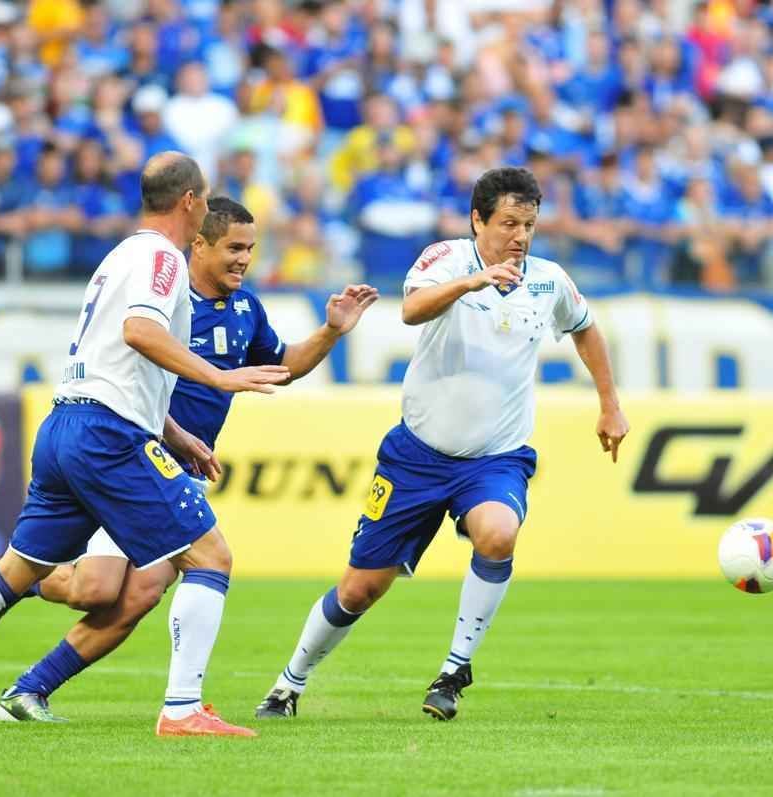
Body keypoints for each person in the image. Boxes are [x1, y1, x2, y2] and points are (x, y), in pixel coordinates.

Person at [0, 152, 291, 738]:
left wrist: (175, 433)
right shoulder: (162, 259)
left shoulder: (118, 257)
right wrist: (219, 377)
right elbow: (138, 333)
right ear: (191, 201)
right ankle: (182, 709)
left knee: (17, 569)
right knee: (210, 558)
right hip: (110, 436)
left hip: (66, 423)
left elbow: (112, 361)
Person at [0, 197, 378, 722]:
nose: (244, 259)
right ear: (199, 244)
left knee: (140, 591)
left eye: (250, 249)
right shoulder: (161, 299)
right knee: (95, 589)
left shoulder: (245, 310)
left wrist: (330, 331)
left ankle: (28, 689)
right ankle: (16, 583)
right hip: (123, 456)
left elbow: (282, 366)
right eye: (234, 248)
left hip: (177, 474)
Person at [254, 167, 628, 722]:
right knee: (359, 590)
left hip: (495, 458)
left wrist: (609, 402)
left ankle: (454, 670)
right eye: (508, 223)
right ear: (477, 220)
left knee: (498, 533)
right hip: (417, 457)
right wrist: (471, 284)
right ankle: (289, 684)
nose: (520, 236)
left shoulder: (549, 280)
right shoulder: (447, 260)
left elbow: (585, 327)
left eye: (529, 224)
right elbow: (411, 310)